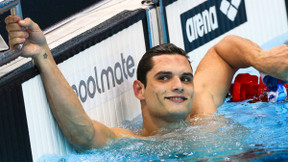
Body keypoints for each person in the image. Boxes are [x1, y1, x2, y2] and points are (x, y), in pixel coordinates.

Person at [5, 15, 288, 152]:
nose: (179, 85)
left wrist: (260, 58)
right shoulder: (133, 144)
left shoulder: (202, 108)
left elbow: (223, 51)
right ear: (139, 90)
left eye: (185, 78)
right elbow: (83, 134)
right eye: (164, 78)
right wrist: (43, 55)